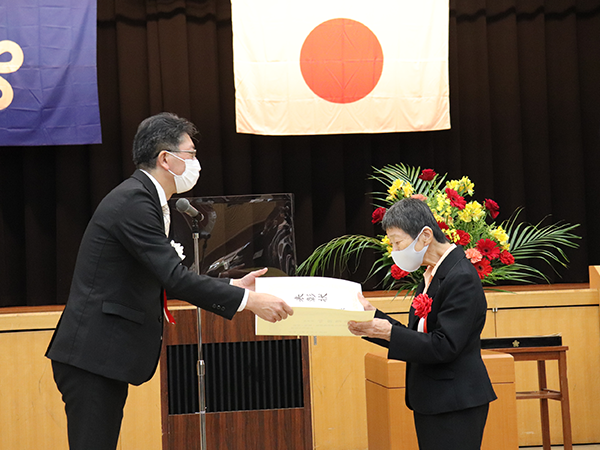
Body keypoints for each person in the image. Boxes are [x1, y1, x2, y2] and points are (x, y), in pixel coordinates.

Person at [46, 112, 293, 450]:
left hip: (101, 354)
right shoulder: (134, 201)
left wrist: (237, 287)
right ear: (166, 158)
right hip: (93, 354)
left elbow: (169, 273)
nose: (197, 163)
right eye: (191, 154)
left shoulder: (147, 199)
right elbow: (173, 277)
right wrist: (249, 302)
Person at [348, 197, 496, 450]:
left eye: (397, 242)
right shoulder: (432, 274)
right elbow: (419, 335)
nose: (394, 250)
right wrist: (374, 319)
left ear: (425, 235)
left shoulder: (460, 276)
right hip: (436, 398)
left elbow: (444, 345)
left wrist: (390, 333)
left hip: (455, 401)